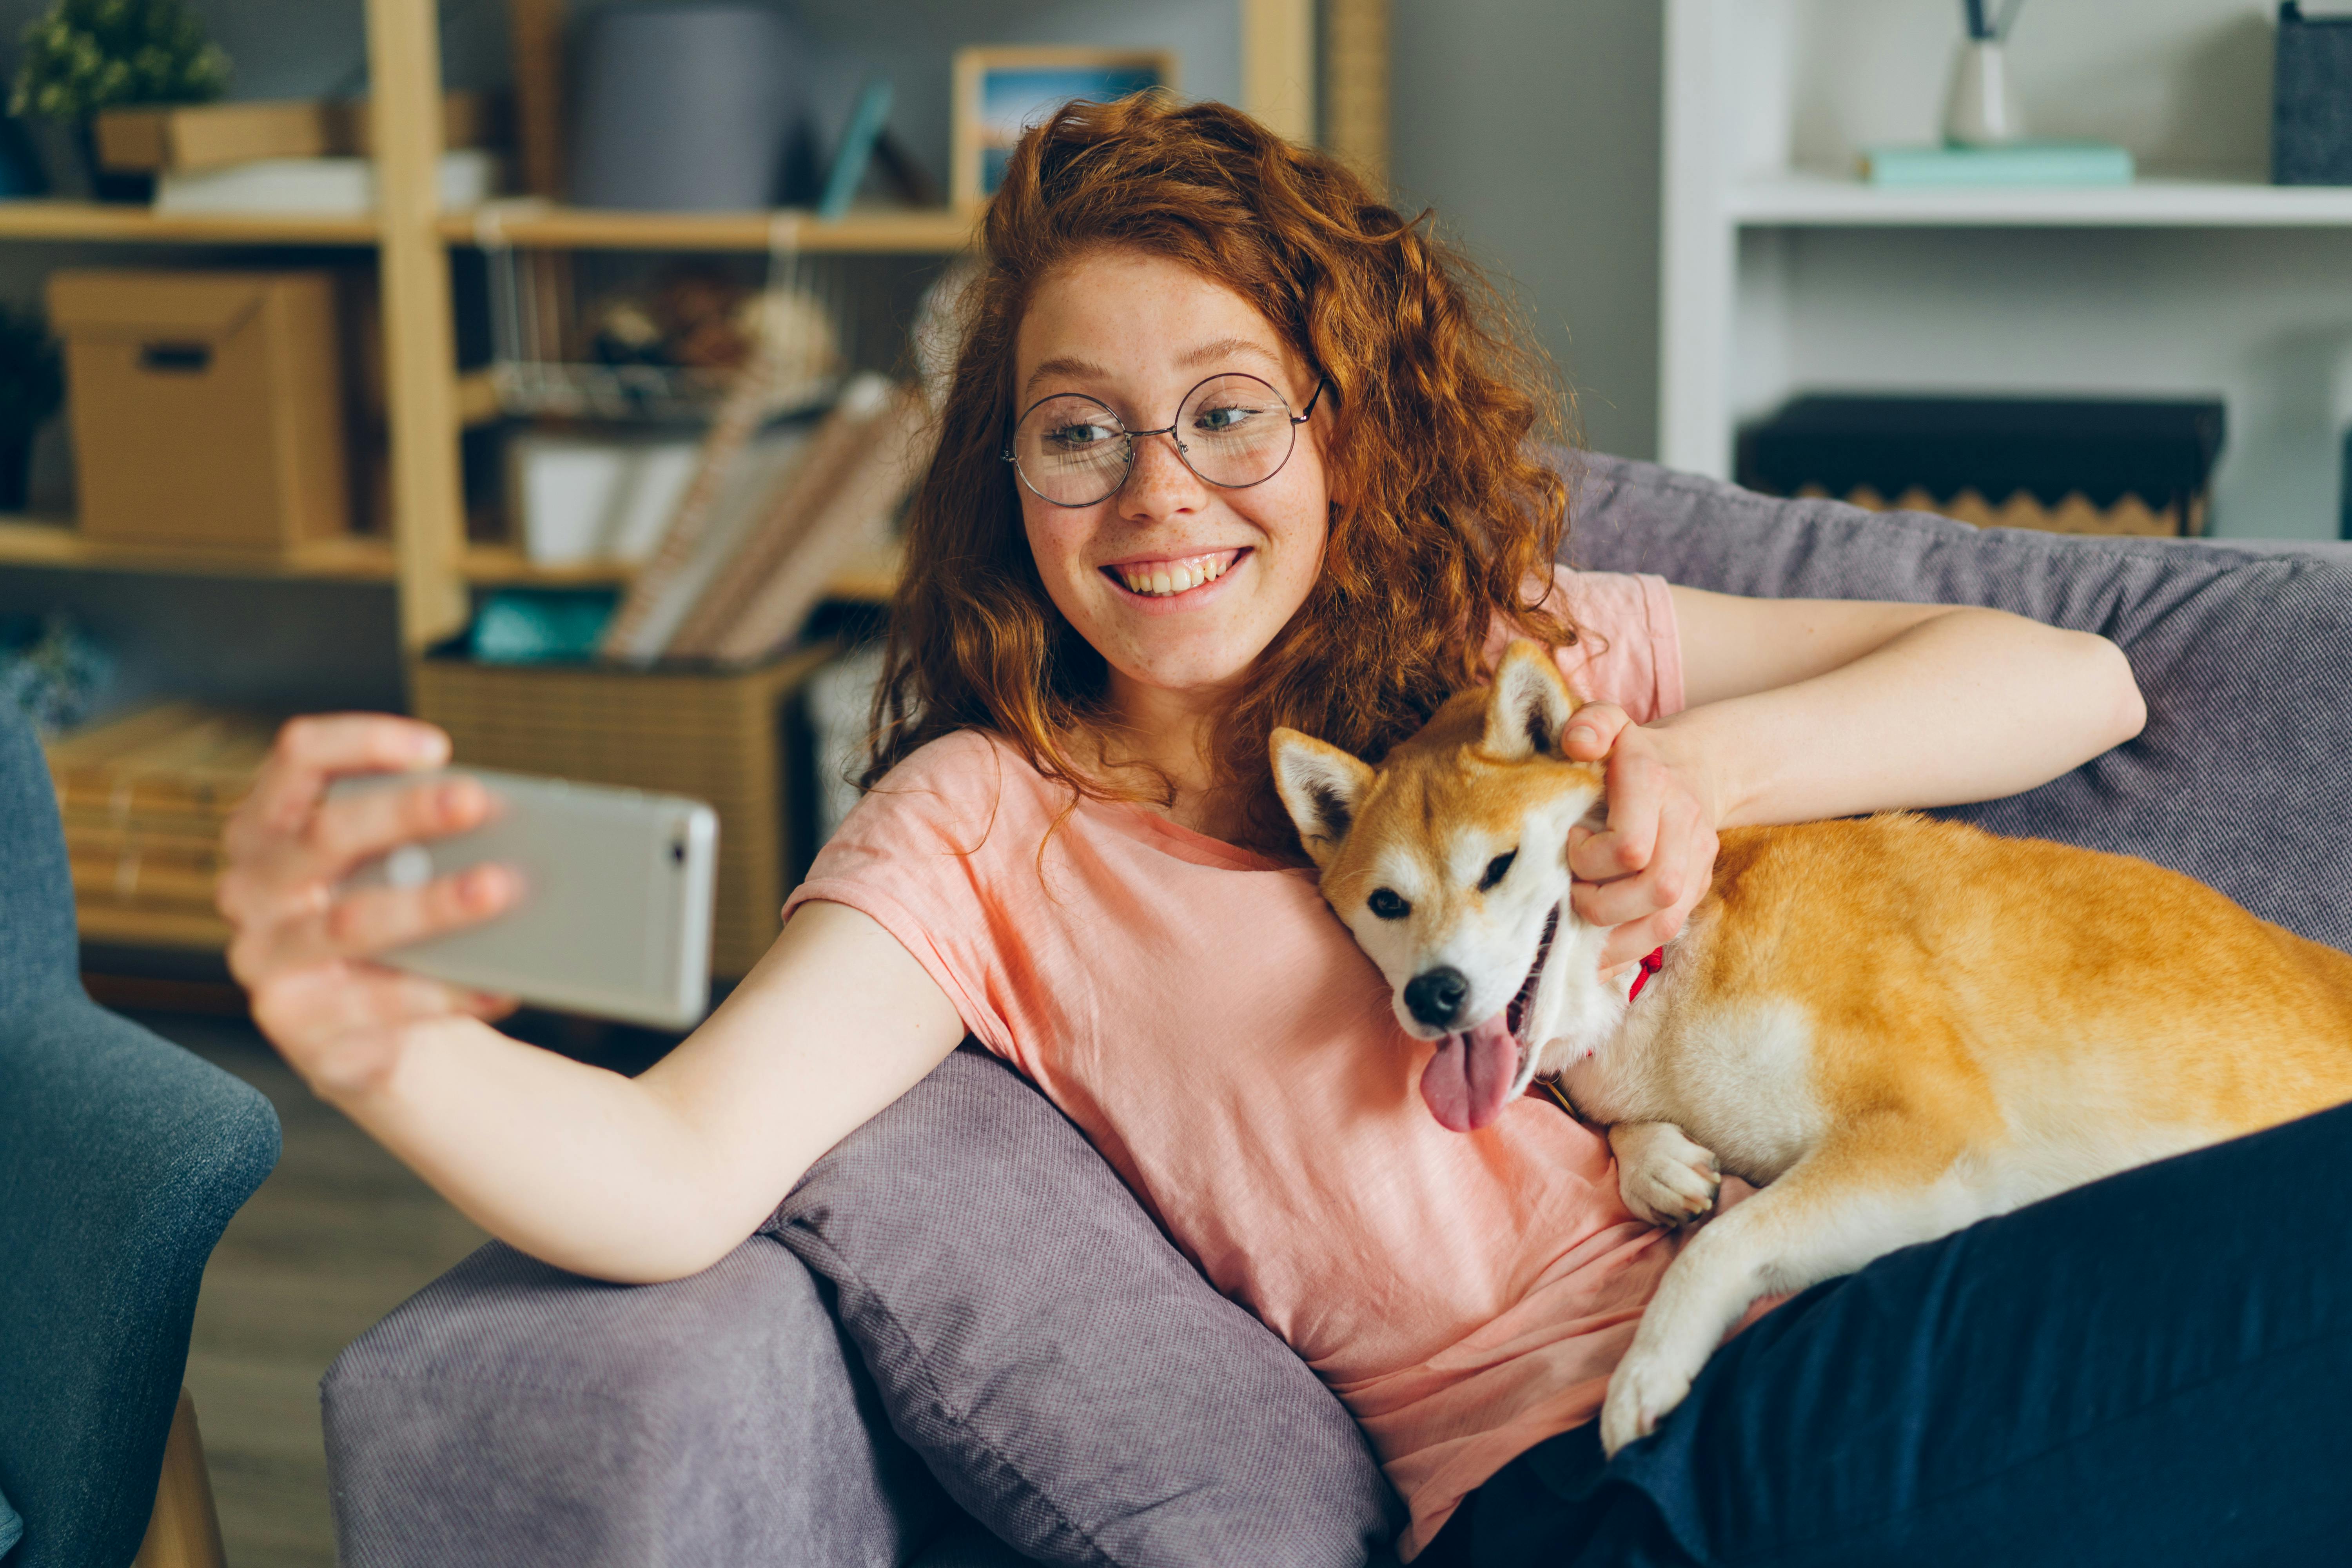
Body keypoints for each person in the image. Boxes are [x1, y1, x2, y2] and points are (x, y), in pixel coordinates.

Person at [218, 96, 2348, 1566]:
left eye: (1229, 410)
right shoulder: (987, 829)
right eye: (1082, 431)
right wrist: (374, 1046)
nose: (1161, 492)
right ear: (1009, 481)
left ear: (1335, 428)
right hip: (1606, 1490)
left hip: (1862, 1335)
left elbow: (2075, 679)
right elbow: (673, 1174)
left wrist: (1702, 774)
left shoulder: (1501, 659)